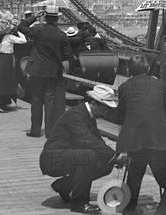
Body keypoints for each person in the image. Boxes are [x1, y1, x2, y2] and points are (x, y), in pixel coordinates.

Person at [40, 85, 126, 214]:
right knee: (89, 156)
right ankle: (79, 203)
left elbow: (97, 140)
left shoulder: (87, 115)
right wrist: (114, 156)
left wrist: (113, 158)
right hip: (52, 159)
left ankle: (64, 186)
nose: (105, 113)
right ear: (93, 104)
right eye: (105, 108)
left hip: (66, 156)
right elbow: (86, 140)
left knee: (104, 164)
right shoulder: (76, 115)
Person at [115, 55, 166, 215]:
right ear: (147, 70)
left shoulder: (124, 87)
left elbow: (119, 118)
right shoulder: (159, 85)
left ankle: (129, 211)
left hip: (134, 142)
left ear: (128, 71)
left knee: (134, 176)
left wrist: (122, 147)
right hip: (157, 142)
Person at [18, 6, 74, 138]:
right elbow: (67, 55)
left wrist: (34, 17)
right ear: (57, 19)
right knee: (50, 103)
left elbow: (21, 27)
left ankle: (35, 131)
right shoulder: (61, 35)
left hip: (36, 70)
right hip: (52, 72)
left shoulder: (38, 29)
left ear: (46, 17)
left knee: (36, 100)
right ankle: (50, 132)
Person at [0, 11, 26, 112]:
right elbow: (24, 40)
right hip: (8, 59)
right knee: (7, 81)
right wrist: (18, 31)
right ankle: (3, 103)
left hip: (0, 59)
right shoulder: (10, 38)